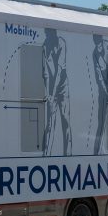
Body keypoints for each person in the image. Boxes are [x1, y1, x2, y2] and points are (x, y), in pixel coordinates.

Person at [42, 28, 71, 156]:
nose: (49, 36)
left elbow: (59, 71)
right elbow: (46, 74)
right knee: (49, 123)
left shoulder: (61, 43)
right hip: (52, 86)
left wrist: (53, 94)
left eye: (51, 34)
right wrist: (48, 94)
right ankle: (46, 154)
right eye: (47, 34)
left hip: (62, 85)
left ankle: (68, 154)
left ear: (55, 34)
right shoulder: (44, 46)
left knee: (65, 120)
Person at [92, 34, 108, 155]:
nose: (98, 46)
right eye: (96, 44)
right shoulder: (95, 53)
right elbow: (99, 78)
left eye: (99, 43)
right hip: (103, 91)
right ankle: (96, 152)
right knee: (101, 121)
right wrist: (106, 93)